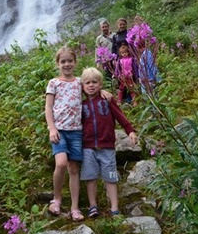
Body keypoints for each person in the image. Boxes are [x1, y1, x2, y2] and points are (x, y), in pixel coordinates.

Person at [45, 47, 111, 222]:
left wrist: (103, 92)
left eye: (70, 61)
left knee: (74, 169)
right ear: (58, 64)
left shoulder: (78, 83)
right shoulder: (53, 83)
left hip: (76, 132)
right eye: (63, 61)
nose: (67, 64)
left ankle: (75, 207)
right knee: (61, 164)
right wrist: (52, 128)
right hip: (59, 131)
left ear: (75, 62)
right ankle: (56, 199)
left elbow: (92, 89)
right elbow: (48, 108)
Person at [80, 67, 137, 218]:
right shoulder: (81, 105)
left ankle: (115, 208)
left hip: (107, 146)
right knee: (90, 177)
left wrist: (129, 130)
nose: (91, 85)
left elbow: (119, 115)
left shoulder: (107, 100)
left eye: (94, 82)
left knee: (110, 177)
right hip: (88, 147)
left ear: (100, 85)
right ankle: (93, 206)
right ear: (82, 86)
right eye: (87, 83)